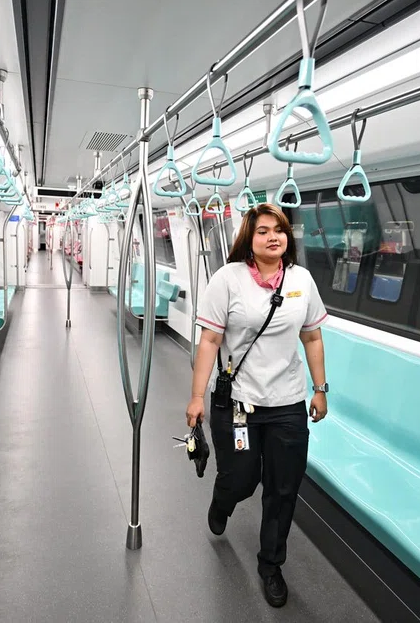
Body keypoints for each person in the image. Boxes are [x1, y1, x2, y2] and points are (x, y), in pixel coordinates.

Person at [186, 202, 329, 608]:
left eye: (279, 230)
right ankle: (224, 497)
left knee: (283, 488)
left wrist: (320, 388)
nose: (273, 237)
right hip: (238, 405)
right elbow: (210, 342)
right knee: (243, 477)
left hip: (287, 404)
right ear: (249, 238)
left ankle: (271, 565)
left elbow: (312, 337)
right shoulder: (227, 279)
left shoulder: (301, 280)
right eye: (263, 230)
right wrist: (197, 397)